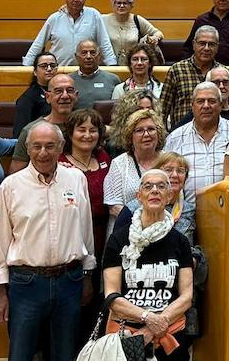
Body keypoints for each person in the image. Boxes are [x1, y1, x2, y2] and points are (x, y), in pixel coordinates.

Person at [0, 120, 95, 361]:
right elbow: (1, 243)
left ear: (59, 148)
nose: (43, 152)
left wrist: (86, 274)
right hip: (25, 284)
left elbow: (85, 232)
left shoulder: (75, 180)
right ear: (28, 148)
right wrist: (1, 292)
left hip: (68, 279)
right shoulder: (11, 186)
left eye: (50, 146)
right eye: (36, 146)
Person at [102, 168, 194, 361]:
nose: (154, 190)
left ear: (170, 196)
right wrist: (146, 317)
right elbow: (112, 296)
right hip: (128, 340)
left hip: (165, 339)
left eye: (162, 186)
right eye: (147, 186)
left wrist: (159, 321)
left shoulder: (179, 241)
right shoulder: (119, 238)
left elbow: (186, 295)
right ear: (138, 195)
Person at [164, 82, 229, 239]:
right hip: (185, 219)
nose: (206, 106)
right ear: (192, 106)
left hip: (228, 218)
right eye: (200, 101)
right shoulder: (175, 138)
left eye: (211, 101)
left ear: (221, 104)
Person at [23, 0, 116, 67]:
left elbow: (104, 43)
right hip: (59, 72)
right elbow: (38, 44)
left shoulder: (94, 15)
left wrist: (112, 65)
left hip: (87, 73)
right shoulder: (54, 18)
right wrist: (26, 66)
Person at [59, 109, 112, 257]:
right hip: (73, 232)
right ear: (70, 133)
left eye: (93, 130)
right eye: (81, 130)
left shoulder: (103, 157)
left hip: (103, 228)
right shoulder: (59, 162)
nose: (87, 135)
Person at [9, 73, 79, 173]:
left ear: (76, 96)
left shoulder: (85, 129)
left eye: (70, 91)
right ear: (47, 97)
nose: (65, 96)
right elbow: (16, 174)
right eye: (58, 91)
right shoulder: (31, 131)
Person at [104, 109, 164, 220]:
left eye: (151, 129)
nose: (146, 134)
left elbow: (175, 198)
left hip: (163, 227)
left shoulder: (168, 161)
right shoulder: (119, 164)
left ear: (158, 133)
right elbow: (114, 206)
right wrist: (143, 221)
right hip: (127, 228)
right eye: (139, 130)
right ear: (130, 136)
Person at [158, 26, 222, 130]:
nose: (206, 48)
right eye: (202, 43)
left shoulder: (222, 73)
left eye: (211, 44)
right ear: (193, 44)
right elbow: (162, 109)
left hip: (217, 137)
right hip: (180, 137)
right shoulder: (177, 70)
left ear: (217, 47)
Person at [102, 0, 163, 66]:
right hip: (109, 66)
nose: (121, 6)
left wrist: (154, 38)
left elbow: (158, 33)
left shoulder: (137, 20)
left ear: (131, 6)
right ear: (113, 5)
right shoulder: (103, 19)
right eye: (118, 3)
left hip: (133, 66)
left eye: (125, 3)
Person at [14, 52, 57, 136]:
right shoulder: (27, 98)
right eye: (44, 66)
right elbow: (20, 133)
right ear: (35, 72)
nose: (49, 69)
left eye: (52, 65)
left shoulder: (62, 92)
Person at [68, 39, 120, 106]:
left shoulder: (113, 79)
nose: (88, 56)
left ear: (99, 56)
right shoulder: (68, 80)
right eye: (84, 53)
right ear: (76, 56)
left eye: (93, 53)